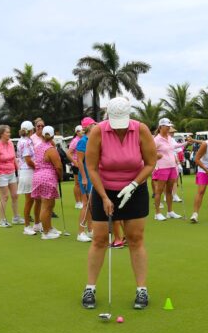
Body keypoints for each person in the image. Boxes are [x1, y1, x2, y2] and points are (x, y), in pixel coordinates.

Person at [81, 96, 157, 310]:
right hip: (104, 188)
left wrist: (133, 185)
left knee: (135, 238)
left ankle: (142, 290)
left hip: (135, 188)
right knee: (99, 239)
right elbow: (92, 167)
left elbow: (151, 162)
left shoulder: (140, 130)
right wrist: (104, 197)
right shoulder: (99, 131)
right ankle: (90, 288)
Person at [31, 126, 63, 239]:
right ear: (53, 136)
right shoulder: (51, 150)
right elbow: (58, 166)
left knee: (50, 204)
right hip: (47, 178)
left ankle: (49, 228)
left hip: (38, 176)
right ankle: (46, 232)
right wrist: (61, 176)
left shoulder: (38, 146)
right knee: (46, 206)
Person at [152, 118, 186, 220]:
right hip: (162, 167)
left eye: (169, 126)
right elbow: (150, 153)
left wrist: (186, 143)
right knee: (159, 191)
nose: (169, 128)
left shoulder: (170, 138)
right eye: (167, 126)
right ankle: (157, 213)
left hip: (172, 167)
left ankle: (170, 212)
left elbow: (175, 146)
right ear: (161, 127)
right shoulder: (156, 139)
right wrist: (157, 155)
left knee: (169, 191)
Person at [0, 124, 21, 227]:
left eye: (9, 132)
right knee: (5, 197)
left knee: (15, 195)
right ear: (1, 134)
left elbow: (14, 158)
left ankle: (16, 217)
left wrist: (19, 170)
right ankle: (2, 220)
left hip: (11, 173)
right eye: (7, 132)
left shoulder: (10, 143)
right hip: (1, 174)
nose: (9, 134)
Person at [75, 117, 96, 242]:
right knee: (86, 204)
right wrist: (83, 177)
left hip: (93, 175)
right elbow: (79, 161)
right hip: (86, 176)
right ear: (89, 127)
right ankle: (80, 232)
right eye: (93, 124)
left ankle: (90, 229)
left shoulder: (93, 139)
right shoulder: (83, 141)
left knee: (91, 204)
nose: (96, 126)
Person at [16, 121, 37, 235]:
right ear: (30, 130)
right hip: (28, 172)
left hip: (27, 172)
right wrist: (38, 167)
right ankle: (27, 226)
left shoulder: (25, 140)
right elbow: (28, 160)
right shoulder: (26, 142)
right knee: (29, 200)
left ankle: (34, 224)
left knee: (32, 199)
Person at [66, 125, 84, 209]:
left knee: (82, 183)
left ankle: (82, 201)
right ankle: (78, 202)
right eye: (81, 131)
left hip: (82, 164)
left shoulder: (82, 140)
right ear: (77, 132)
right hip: (76, 165)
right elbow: (68, 153)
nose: (82, 132)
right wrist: (74, 162)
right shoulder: (75, 141)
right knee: (77, 183)